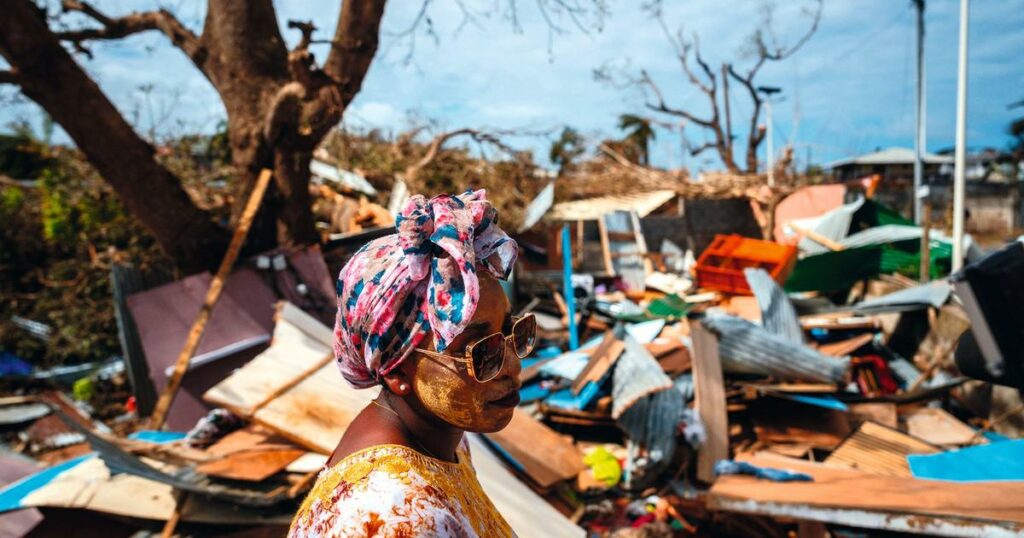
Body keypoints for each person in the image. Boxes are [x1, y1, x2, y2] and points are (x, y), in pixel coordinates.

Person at [289, 190, 534, 538]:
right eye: (480, 350)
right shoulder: (392, 513)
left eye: (513, 330)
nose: (512, 365)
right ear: (398, 370)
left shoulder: (445, 443)